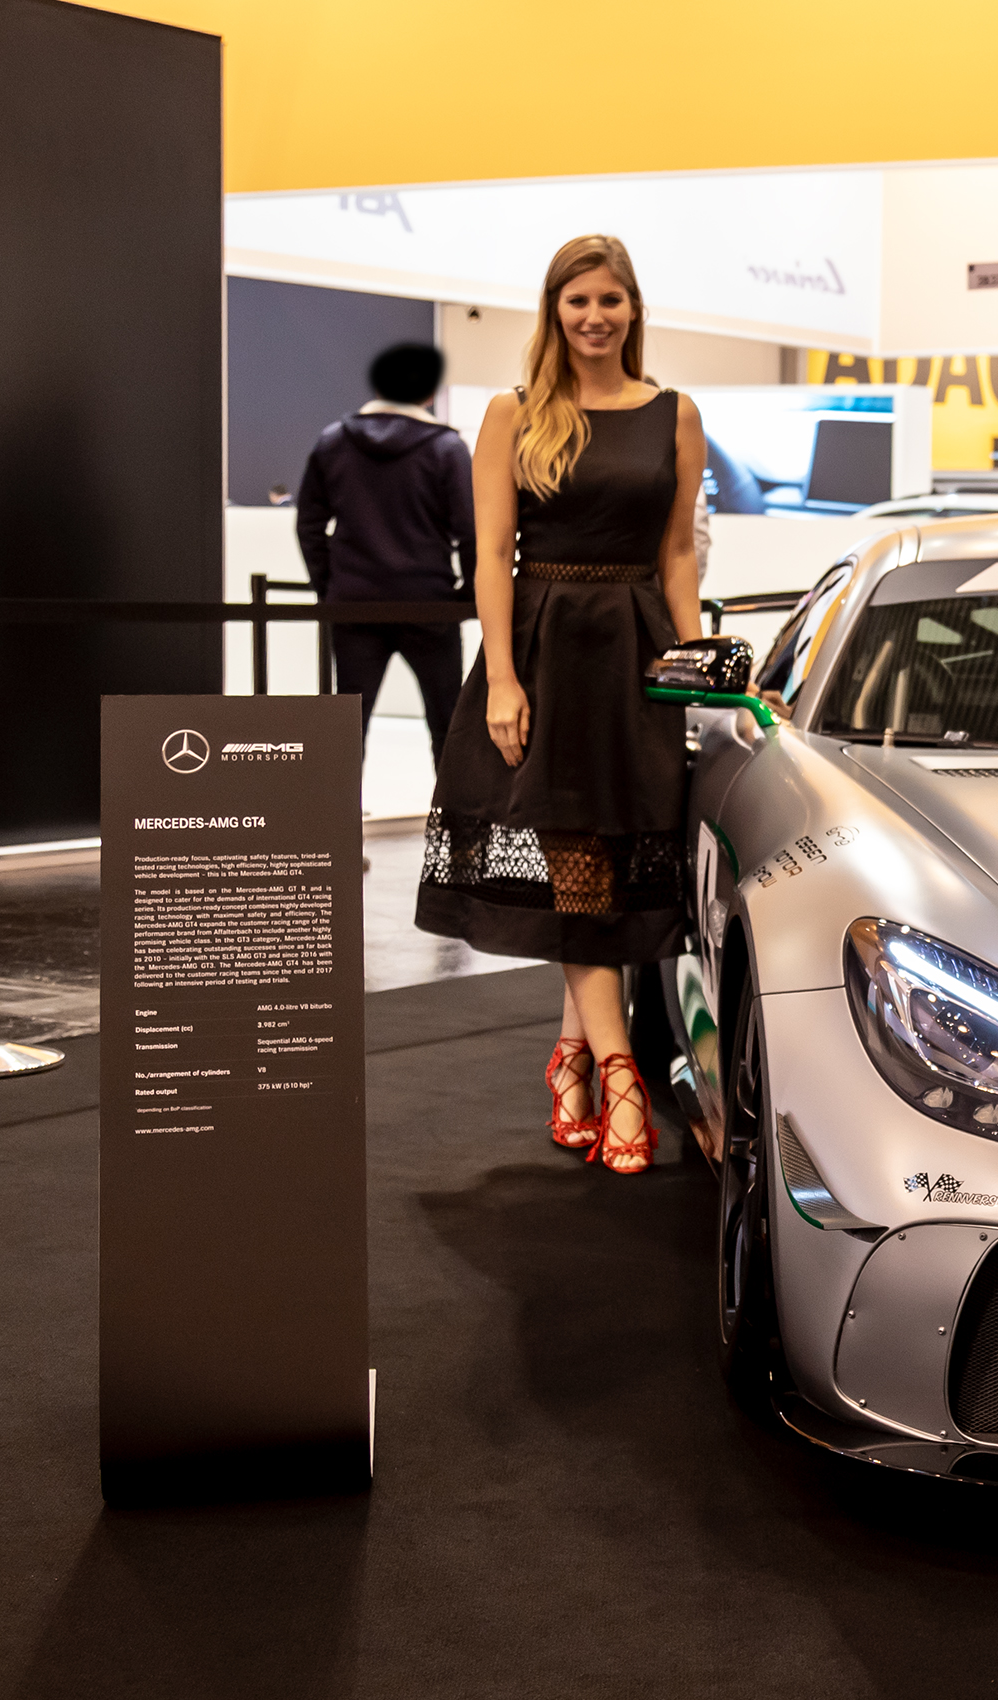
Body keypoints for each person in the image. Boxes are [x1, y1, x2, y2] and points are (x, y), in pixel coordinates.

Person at [416, 235, 706, 1175]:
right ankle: (621, 1070)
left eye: (610, 300)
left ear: (633, 308)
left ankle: (573, 1054)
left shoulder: (675, 412)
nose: (594, 317)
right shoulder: (511, 413)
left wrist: (695, 659)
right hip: (546, 651)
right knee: (578, 858)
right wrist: (501, 675)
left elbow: (677, 556)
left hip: (638, 649)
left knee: (614, 860)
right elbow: (492, 555)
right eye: (577, 301)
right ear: (555, 310)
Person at [294, 341, 476, 764]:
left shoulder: (333, 440)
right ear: (430, 392)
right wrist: (466, 598)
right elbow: (470, 531)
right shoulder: (446, 448)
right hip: (430, 607)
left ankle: (334, 827)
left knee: (347, 728)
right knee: (448, 724)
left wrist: (330, 585)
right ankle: (455, 829)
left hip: (354, 605)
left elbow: (308, 525)